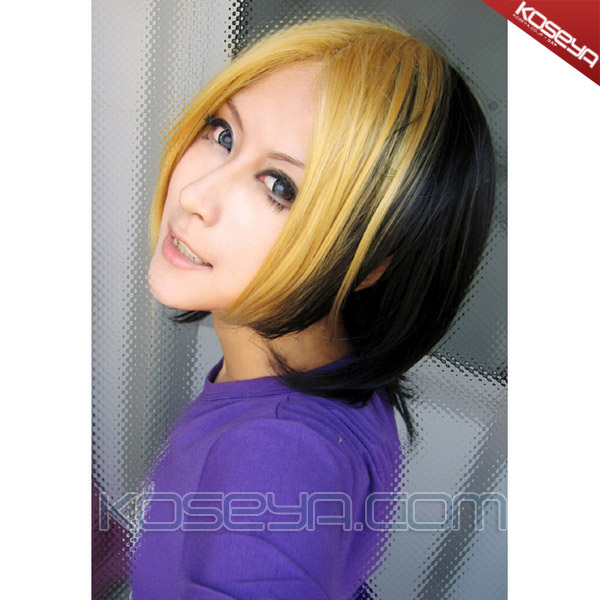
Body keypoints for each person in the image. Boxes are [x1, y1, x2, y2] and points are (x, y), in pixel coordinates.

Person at [130, 17, 495, 599]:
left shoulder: (276, 457)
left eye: (280, 186)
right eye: (222, 134)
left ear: (370, 263)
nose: (195, 196)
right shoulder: (337, 385)